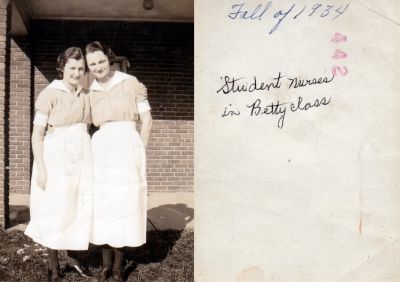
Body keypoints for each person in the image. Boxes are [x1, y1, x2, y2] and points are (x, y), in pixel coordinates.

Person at [85, 41, 152, 282]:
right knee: (103, 204)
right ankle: (105, 266)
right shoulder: (88, 87)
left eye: (101, 61)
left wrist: (139, 151)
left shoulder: (130, 82)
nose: (98, 67)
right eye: (92, 64)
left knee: (123, 204)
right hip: (101, 147)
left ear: (110, 59)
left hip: (126, 144)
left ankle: (118, 267)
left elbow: (147, 120)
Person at [24, 47, 93, 281]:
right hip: (55, 158)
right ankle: (54, 266)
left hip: (81, 157)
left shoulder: (85, 94)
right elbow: (37, 134)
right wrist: (41, 166)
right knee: (53, 209)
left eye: (81, 68)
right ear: (62, 67)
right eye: (72, 68)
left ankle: (73, 259)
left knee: (76, 207)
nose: (77, 72)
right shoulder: (49, 94)